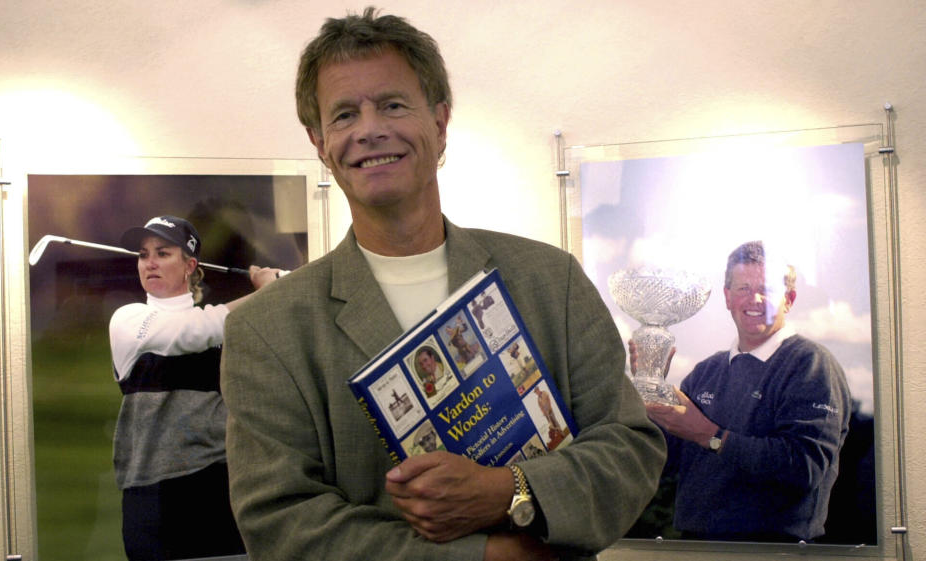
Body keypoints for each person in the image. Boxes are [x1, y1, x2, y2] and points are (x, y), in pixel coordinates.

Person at [220, 8, 666, 561]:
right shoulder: (267, 329)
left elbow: (630, 449)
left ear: (440, 120)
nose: (368, 129)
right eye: (343, 115)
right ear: (319, 142)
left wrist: (511, 493)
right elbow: (280, 521)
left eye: (392, 104)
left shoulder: (551, 281)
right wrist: (486, 556)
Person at [633, 240, 851, 542]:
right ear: (727, 297)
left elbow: (805, 468)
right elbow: (664, 460)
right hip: (694, 547)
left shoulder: (811, 365)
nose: (755, 299)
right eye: (743, 289)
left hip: (777, 550)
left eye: (768, 289)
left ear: (789, 299)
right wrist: (650, 391)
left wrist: (709, 435)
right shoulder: (705, 373)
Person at [109, 215, 282, 560]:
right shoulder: (128, 320)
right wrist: (272, 292)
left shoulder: (224, 328)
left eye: (162, 253)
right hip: (153, 497)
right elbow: (193, 331)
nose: (150, 263)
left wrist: (285, 291)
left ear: (190, 265)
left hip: (222, 489)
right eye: (143, 255)